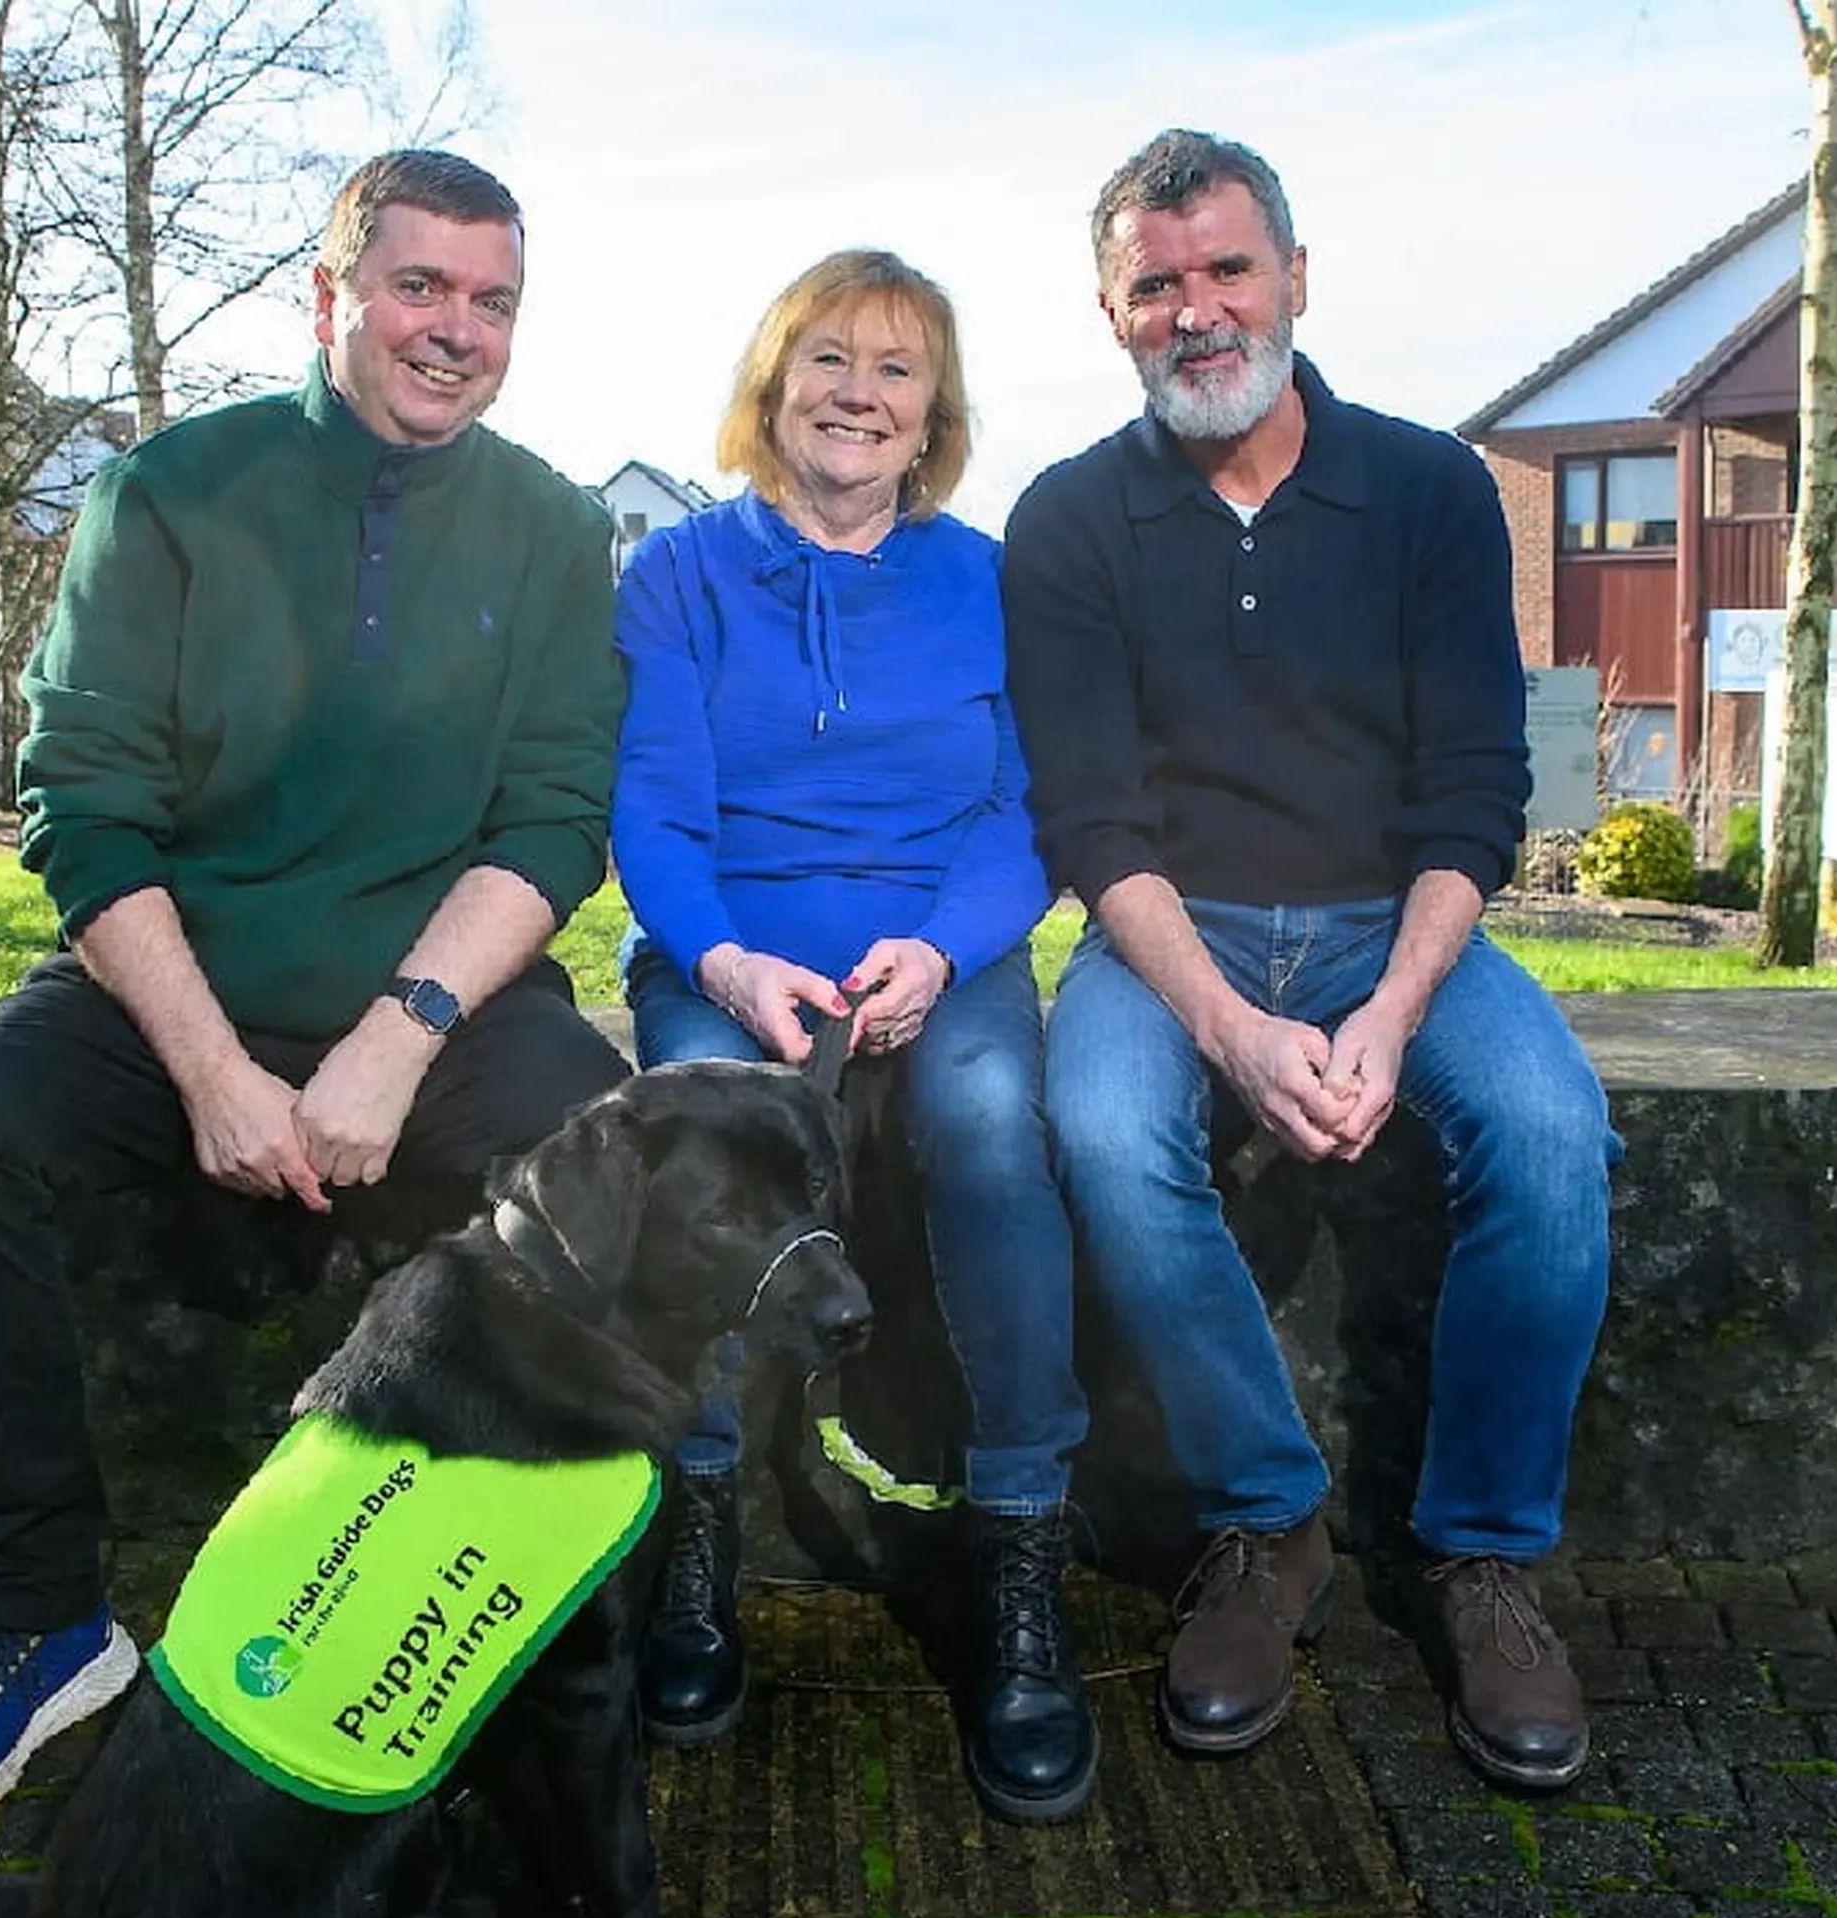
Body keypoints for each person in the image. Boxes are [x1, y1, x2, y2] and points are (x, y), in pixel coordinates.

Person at [0, 148, 631, 1825]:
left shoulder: (559, 527)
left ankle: (529, 1619)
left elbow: (558, 817)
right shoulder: (167, 492)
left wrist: (393, 1042)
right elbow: (86, 803)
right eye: (419, 286)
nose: (456, 330)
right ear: (331, 291)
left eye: (493, 301)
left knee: (594, 1151)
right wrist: (210, 1069)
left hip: (437, 1004)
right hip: (179, 991)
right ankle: (38, 1624)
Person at [999, 130, 1618, 1793]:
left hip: (1392, 919)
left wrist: (1391, 1008)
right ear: (1110, 311)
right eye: (1157, 284)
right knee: (1106, 1129)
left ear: (1294, 278)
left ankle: (1483, 1554)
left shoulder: (1426, 490)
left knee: (1553, 1132)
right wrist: (1227, 1026)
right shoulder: (1066, 520)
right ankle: (1270, 1519)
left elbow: (1476, 787)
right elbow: (1092, 821)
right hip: (1171, 932)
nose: (1197, 312)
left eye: (1226, 270)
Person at [608, 250, 1091, 1823]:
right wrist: (735, 966)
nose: (859, 394)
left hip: (938, 952)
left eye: (896, 369)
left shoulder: (988, 577)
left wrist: (943, 951)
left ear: (933, 410)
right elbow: (655, 815)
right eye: (828, 359)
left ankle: (1021, 1556)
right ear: (772, 383)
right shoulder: (676, 573)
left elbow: (1031, 808)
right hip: (731, 947)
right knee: (697, 1163)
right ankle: (696, 1550)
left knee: (995, 1140)